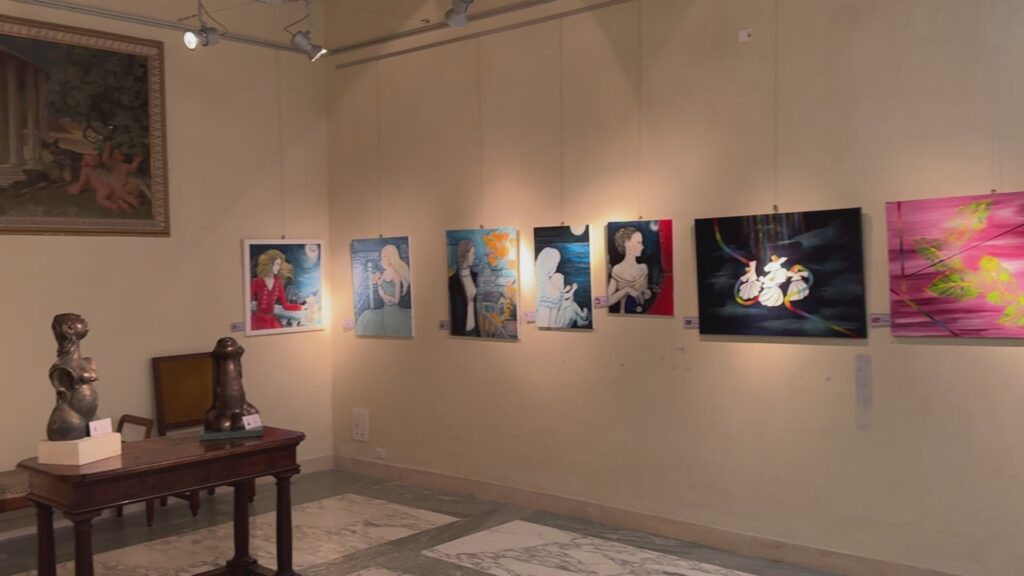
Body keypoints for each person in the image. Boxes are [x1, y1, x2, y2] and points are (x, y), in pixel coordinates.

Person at [355, 244, 413, 337]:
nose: (383, 259)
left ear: (391, 257)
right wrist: (377, 280)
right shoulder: (385, 272)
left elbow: (396, 300)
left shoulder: (395, 274)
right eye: (382, 256)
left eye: (385, 256)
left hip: (393, 313)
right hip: (385, 310)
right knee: (366, 317)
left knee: (370, 319)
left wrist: (383, 295)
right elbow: (381, 286)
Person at [536, 247, 589, 328]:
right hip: (551, 323)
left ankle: (581, 318)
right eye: (556, 264)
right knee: (570, 306)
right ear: (551, 265)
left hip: (547, 320)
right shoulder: (548, 286)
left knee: (570, 304)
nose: (556, 267)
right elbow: (547, 321)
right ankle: (581, 318)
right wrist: (570, 290)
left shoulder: (539, 280)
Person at [251, 249, 304, 330]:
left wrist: (300, 307)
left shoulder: (278, 283)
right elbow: (248, 301)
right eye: (277, 264)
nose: (278, 267)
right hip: (257, 320)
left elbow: (285, 305)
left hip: (271, 320)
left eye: (279, 265)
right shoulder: (256, 281)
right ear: (269, 264)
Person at [607, 226, 652, 314]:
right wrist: (627, 289)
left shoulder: (644, 268)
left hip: (644, 316)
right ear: (627, 244)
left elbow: (644, 294)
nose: (642, 246)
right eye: (639, 242)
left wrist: (647, 293)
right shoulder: (617, 270)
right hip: (623, 317)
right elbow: (607, 301)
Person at [448, 239, 478, 336]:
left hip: (474, 328)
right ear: (465, 254)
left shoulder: (474, 276)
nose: (474, 257)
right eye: (472, 254)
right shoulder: (453, 281)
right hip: (461, 330)